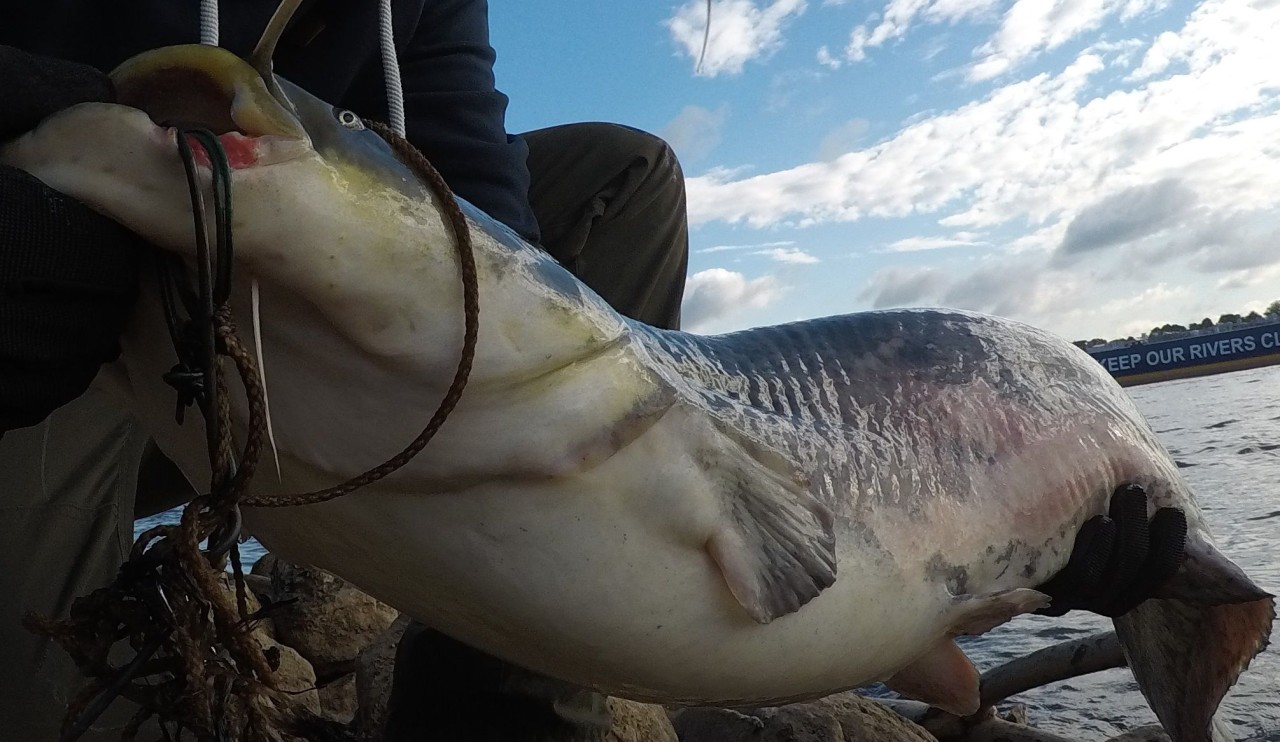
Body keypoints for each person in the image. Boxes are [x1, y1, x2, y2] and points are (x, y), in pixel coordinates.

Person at [0, 2, 1182, 741]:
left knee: (625, 174)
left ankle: (509, 701)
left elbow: (482, 198)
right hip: (62, 314)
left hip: (268, 317)